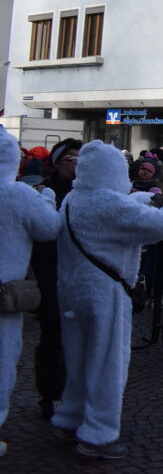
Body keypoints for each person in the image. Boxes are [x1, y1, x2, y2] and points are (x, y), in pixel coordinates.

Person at [53, 141, 163, 460]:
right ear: (113, 172)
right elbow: (162, 224)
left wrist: (139, 200)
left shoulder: (73, 199)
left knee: (78, 359)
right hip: (105, 293)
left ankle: (70, 418)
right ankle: (98, 434)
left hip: (72, 292)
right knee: (108, 363)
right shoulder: (110, 205)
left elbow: (116, 215)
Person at [0, 126, 62, 458]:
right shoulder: (20, 195)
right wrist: (48, 200)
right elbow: (49, 229)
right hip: (5, 296)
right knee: (2, 359)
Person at [32, 137, 82, 419]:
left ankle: (75, 393)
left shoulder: (85, 192)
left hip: (81, 276)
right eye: (70, 160)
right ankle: (50, 393)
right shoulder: (43, 192)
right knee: (52, 335)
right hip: (50, 272)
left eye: (79, 160)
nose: (75, 166)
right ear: (56, 162)